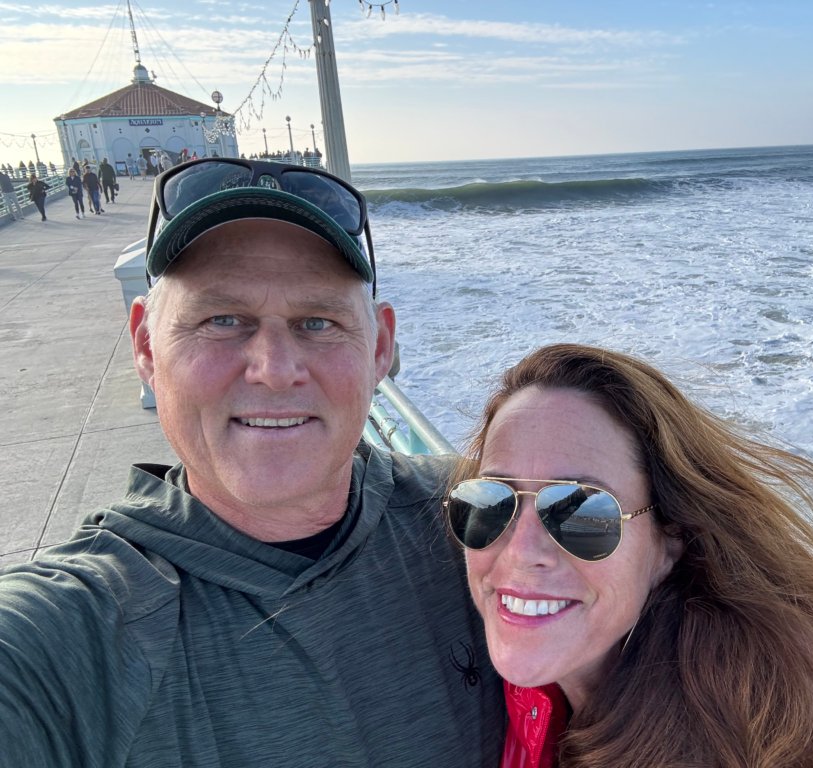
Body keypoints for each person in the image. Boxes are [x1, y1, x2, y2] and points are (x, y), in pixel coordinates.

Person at [0, 158, 504, 766]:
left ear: (378, 348)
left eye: (317, 322)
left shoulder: (481, 525)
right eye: (222, 320)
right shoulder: (72, 631)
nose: (273, 367)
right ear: (145, 347)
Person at [445, 343, 813, 768]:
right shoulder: (549, 675)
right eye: (491, 502)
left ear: (670, 540)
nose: (520, 550)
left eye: (582, 513)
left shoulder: (775, 745)